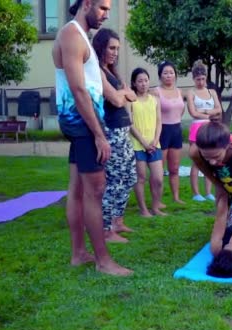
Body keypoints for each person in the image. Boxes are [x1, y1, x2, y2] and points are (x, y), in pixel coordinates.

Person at [52, 0, 131, 275]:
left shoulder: (80, 36)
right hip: (82, 123)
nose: (106, 15)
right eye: (103, 8)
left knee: (76, 190)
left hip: (81, 122)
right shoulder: (72, 34)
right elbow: (78, 90)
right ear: (86, 4)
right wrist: (99, 134)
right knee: (96, 191)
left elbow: (96, 84)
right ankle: (103, 261)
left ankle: (79, 253)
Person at [92, 28, 138, 243]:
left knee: (129, 177)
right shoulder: (97, 70)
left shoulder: (112, 72)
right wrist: (123, 95)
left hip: (123, 131)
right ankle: (106, 228)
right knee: (115, 180)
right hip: (111, 132)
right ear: (100, 46)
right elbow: (119, 100)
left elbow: (133, 96)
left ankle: (118, 220)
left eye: (117, 49)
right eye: (111, 48)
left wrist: (123, 94)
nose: (115, 52)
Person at [129, 67, 167, 217]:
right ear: (134, 83)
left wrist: (155, 140)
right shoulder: (131, 100)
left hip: (154, 144)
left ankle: (156, 206)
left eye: (145, 80)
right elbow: (130, 124)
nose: (143, 84)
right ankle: (143, 209)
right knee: (141, 178)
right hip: (138, 145)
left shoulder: (155, 100)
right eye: (140, 81)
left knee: (158, 178)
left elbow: (159, 121)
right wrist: (144, 142)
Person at [150, 61, 185, 204]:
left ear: (175, 75)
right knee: (159, 170)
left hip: (176, 130)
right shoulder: (155, 92)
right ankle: (157, 200)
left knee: (174, 168)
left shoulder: (179, 91)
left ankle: (176, 197)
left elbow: (181, 110)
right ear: (160, 76)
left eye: (171, 72)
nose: (169, 75)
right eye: (165, 73)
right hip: (162, 131)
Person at [186, 60, 221, 202]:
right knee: (197, 160)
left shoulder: (211, 92)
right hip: (197, 128)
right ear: (193, 79)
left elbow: (218, 109)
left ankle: (208, 191)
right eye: (198, 79)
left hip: (210, 127)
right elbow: (193, 113)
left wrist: (205, 111)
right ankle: (196, 193)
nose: (200, 82)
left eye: (202, 79)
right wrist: (210, 115)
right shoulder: (191, 92)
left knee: (210, 160)